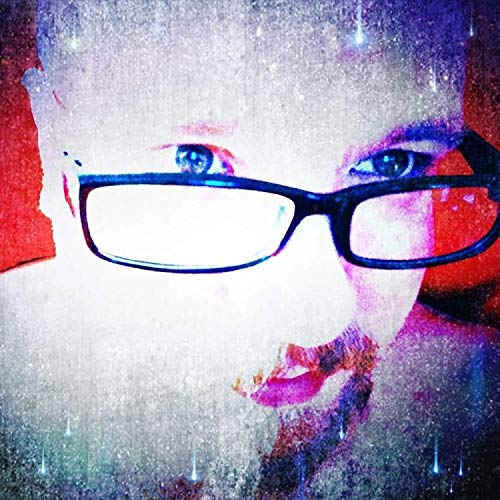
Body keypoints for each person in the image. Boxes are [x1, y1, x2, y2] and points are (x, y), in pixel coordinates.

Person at [1, 0, 498, 497]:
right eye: (195, 162)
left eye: (392, 165)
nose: (318, 320)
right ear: (55, 151)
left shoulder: (478, 420)